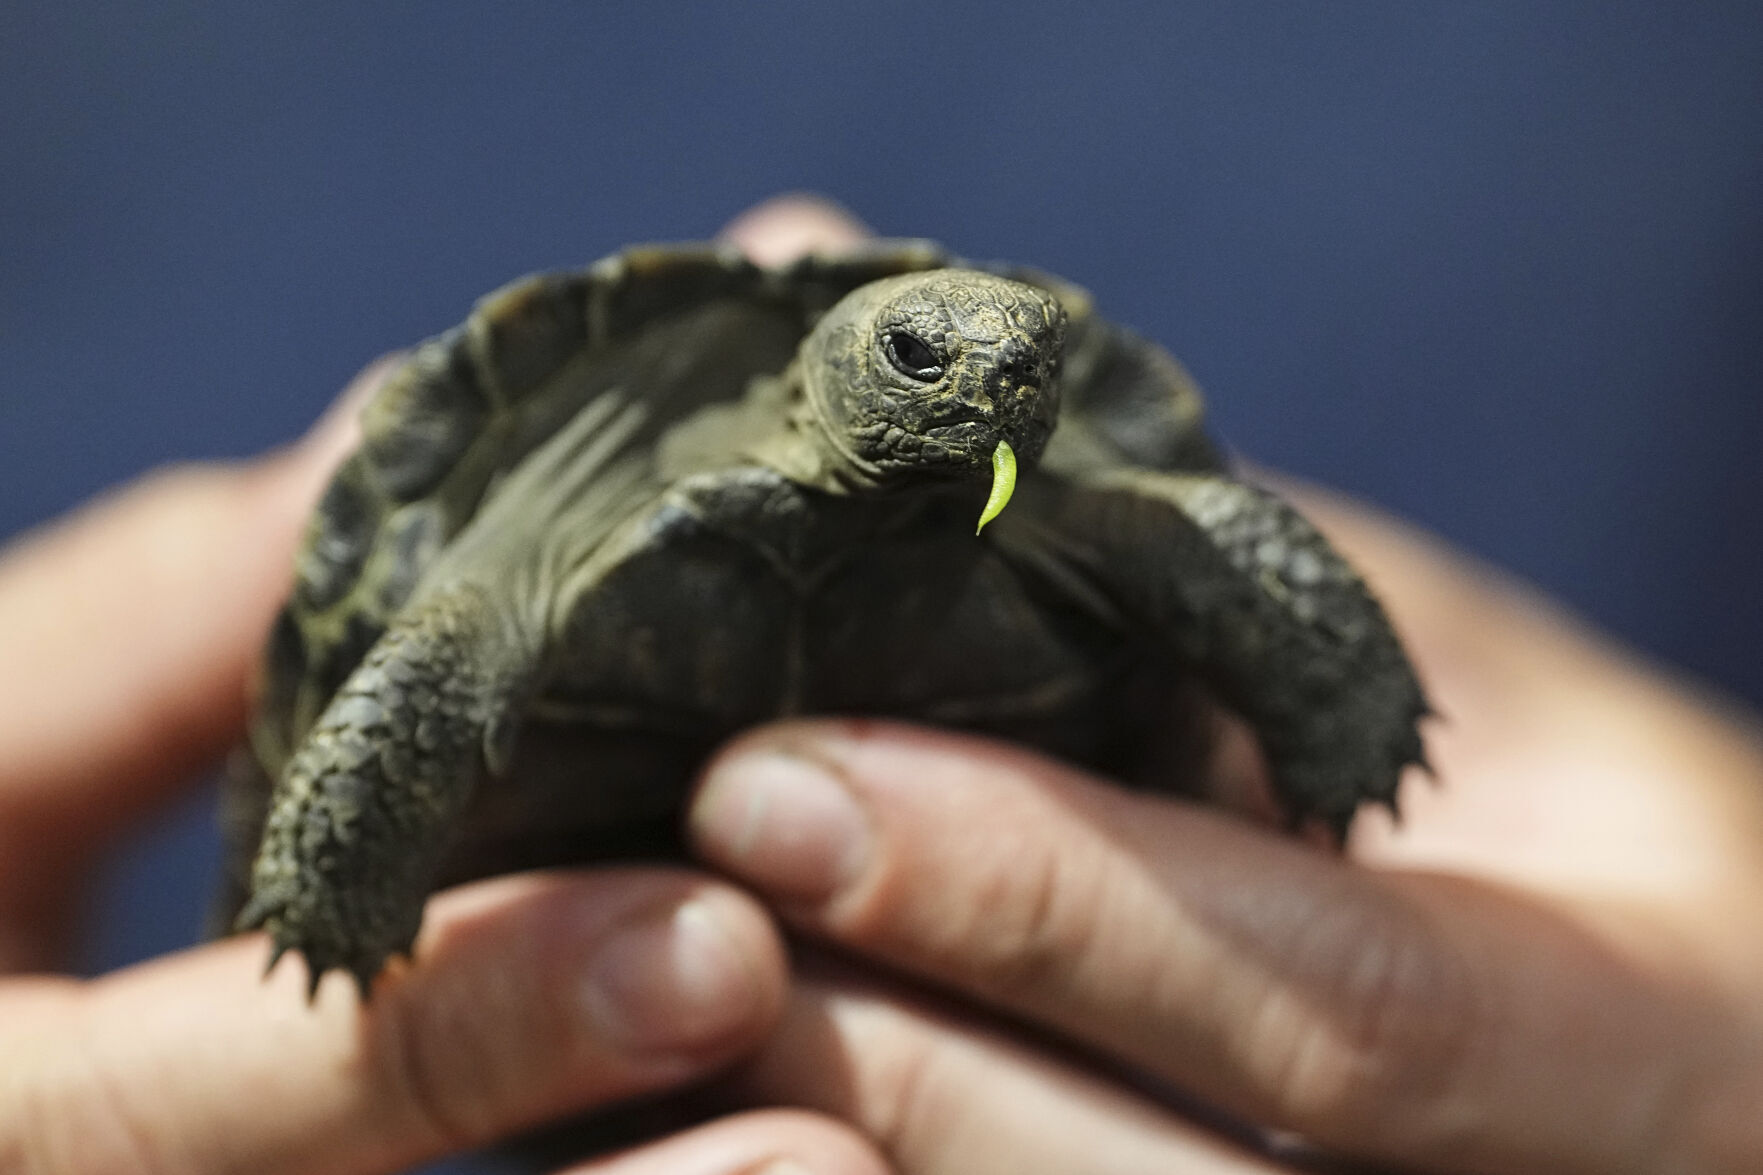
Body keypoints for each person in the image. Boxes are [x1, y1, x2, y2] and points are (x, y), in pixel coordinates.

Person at [2, 196, 1759, 1175]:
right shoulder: (574, 452)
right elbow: (419, 657)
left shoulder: (1085, 516)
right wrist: (304, 946)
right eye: (930, 354)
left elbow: (1242, 567)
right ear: (839, 367)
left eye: (1022, 366)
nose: (987, 380)